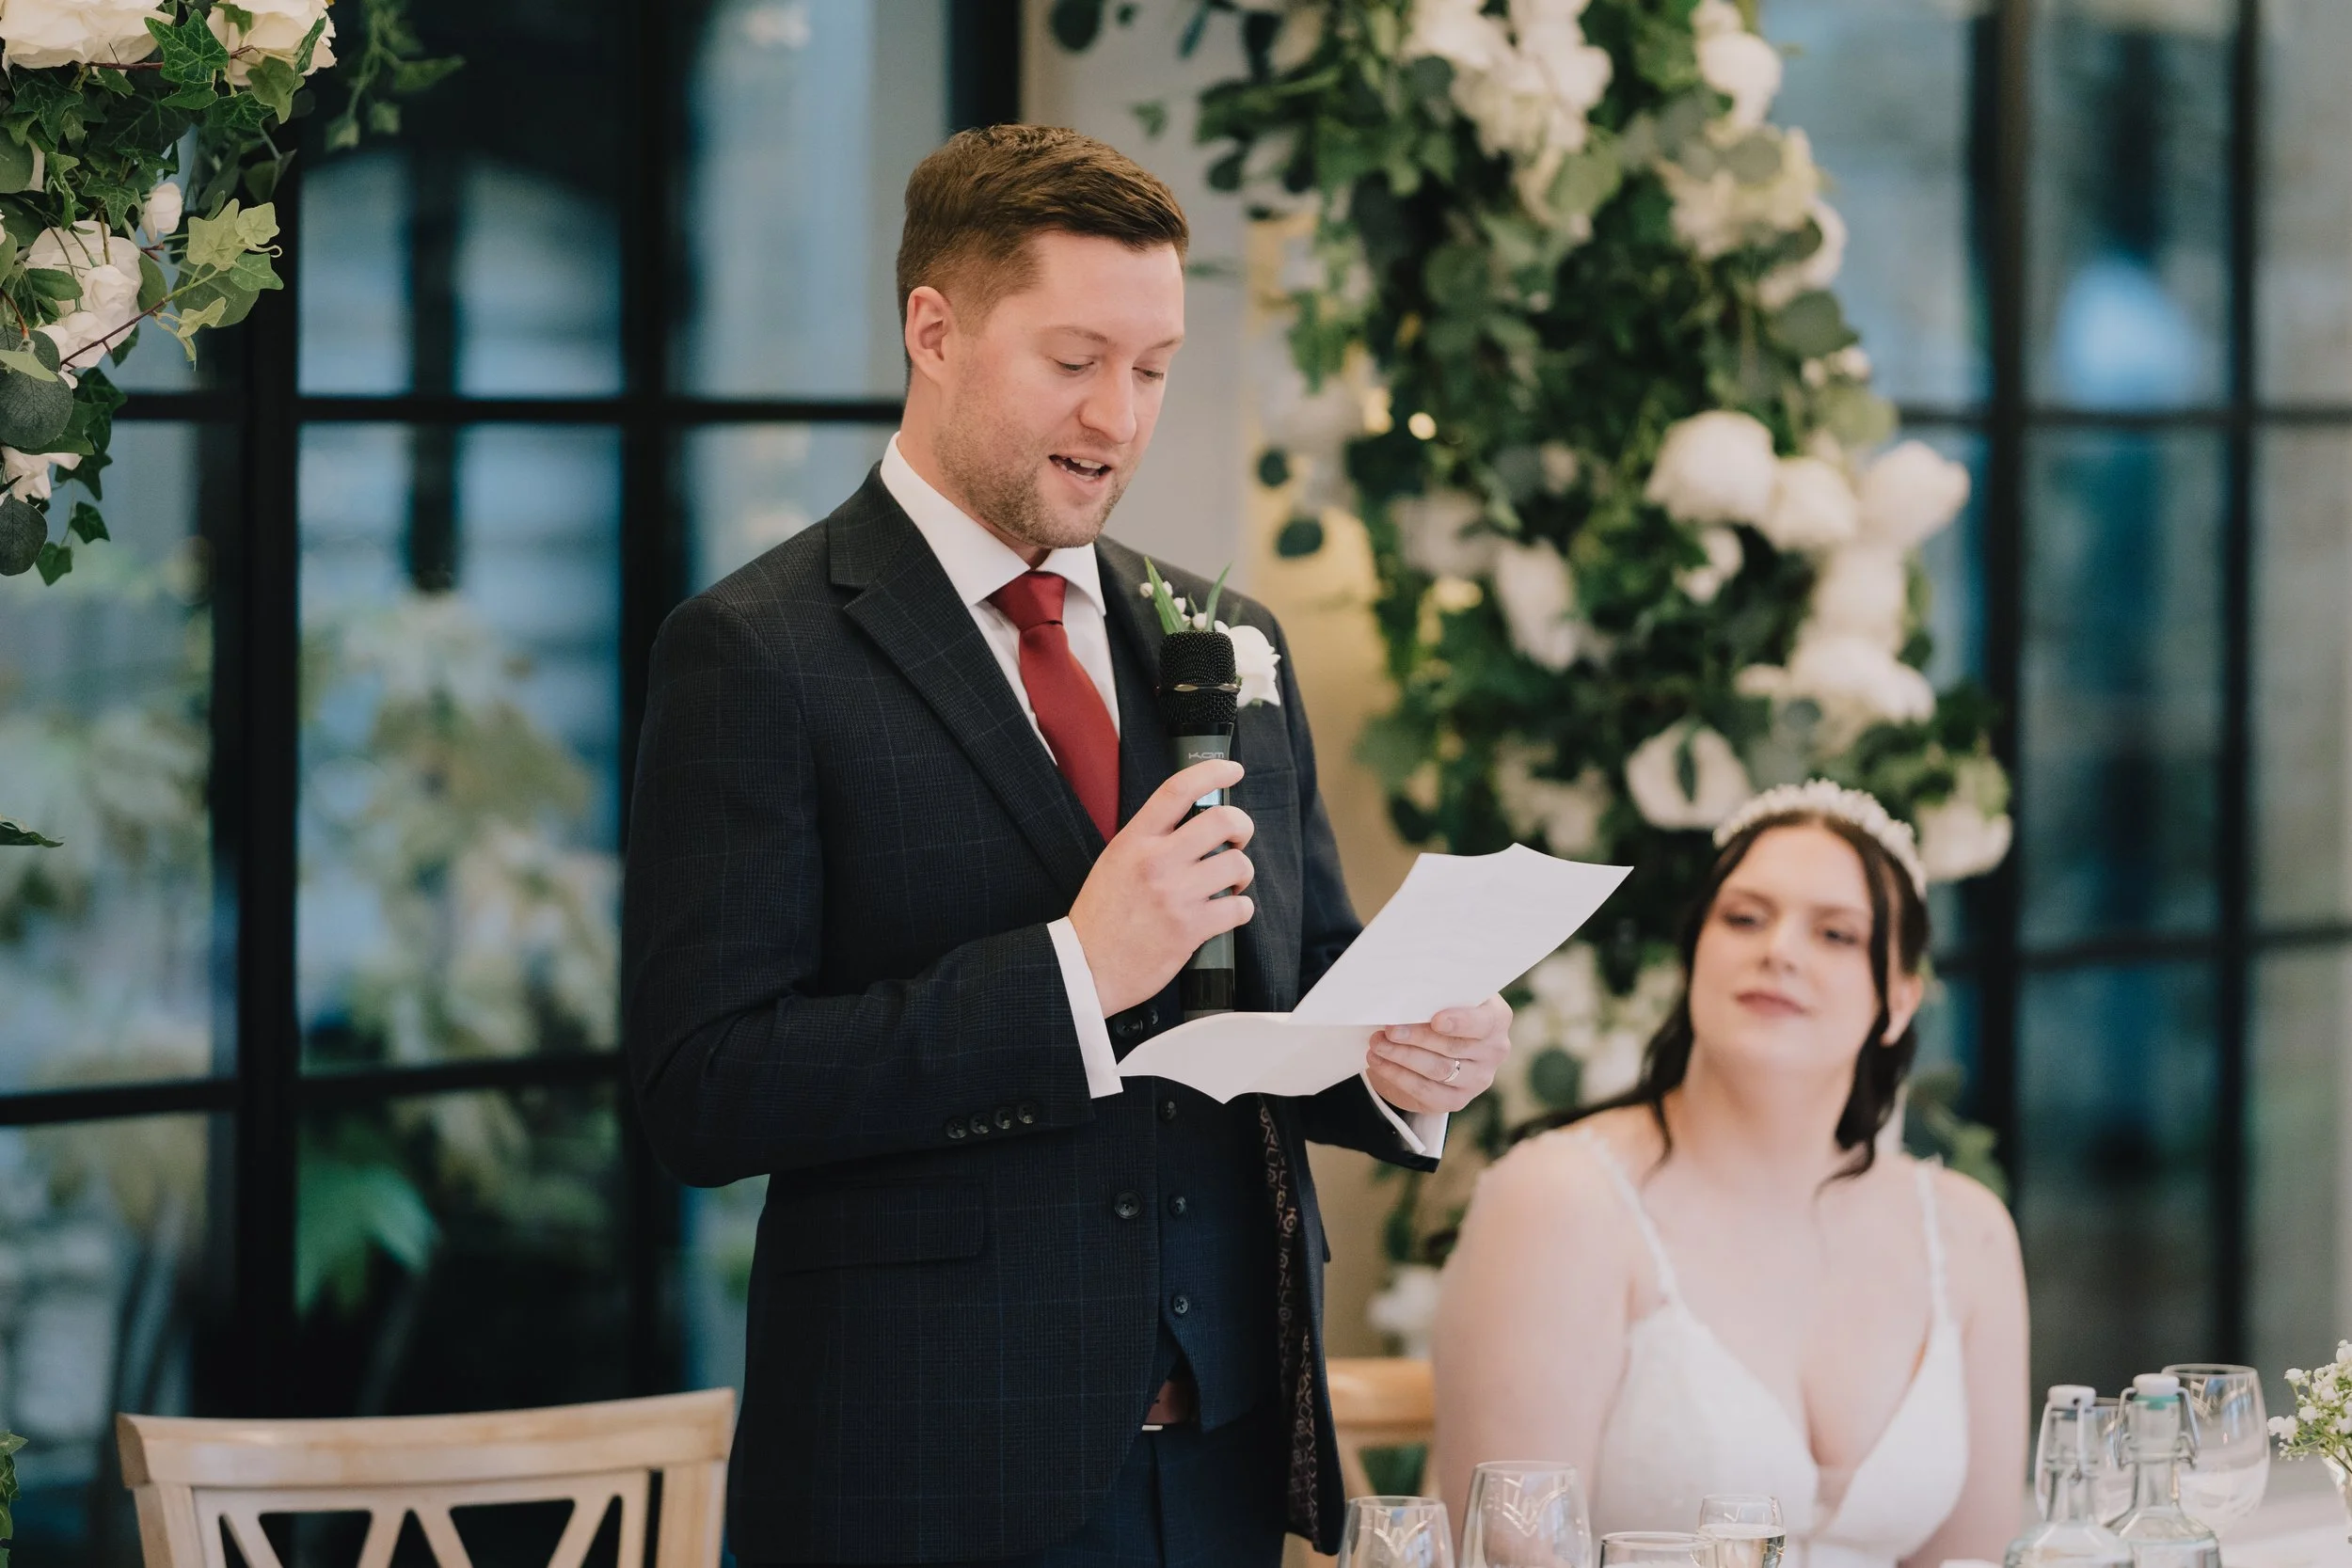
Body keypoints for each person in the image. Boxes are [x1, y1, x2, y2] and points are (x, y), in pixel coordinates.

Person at [623, 124, 1513, 1568]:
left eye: (1154, 367)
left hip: (1223, 1469)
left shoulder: (1230, 638)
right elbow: (702, 1088)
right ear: (935, 330)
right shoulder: (755, 651)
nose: (1120, 415)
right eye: (1075, 358)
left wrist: (1402, 1056)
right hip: (922, 1481)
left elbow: (1307, 976)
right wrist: (1067, 976)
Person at [1433, 782, 2027, 1568]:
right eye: (1744, 917)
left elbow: (1976, 1560)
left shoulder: (1967, 1230)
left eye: (1837, 934)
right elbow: (1510, 1557)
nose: (1779, 949)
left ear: (1899, 1000)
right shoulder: (1560, 1198)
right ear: (1695, 955)